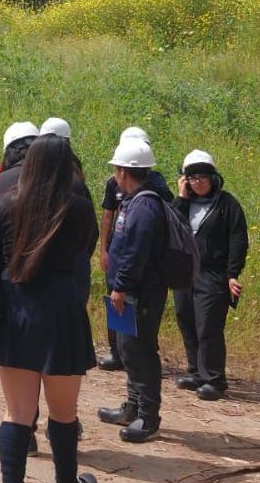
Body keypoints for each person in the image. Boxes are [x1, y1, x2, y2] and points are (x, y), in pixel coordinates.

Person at [0, 135, 100, 483]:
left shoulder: (4, 203)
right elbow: (82, 252)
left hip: (14, 310)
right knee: (64, 412)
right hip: (61, 311)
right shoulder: (79, 208)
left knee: (17, 414)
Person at [98, 139, 170, 443]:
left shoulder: (144, 206)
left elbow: (135, 253)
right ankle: (133, 406)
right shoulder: (134, 200)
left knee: (140, 351)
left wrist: (121, 287)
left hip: (139, 293)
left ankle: (148, 417)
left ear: (123, 172)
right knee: (127, 349)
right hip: (128, 291)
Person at [172, 150, 248, 401]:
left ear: (213, 177)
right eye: (192, 177)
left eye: (203, 176)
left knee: (208, 326)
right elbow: (170, 229)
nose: (199, 182)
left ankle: (214, 379)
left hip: (213, 273)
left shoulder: (227, 205)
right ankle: (196, 372)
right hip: (184, 272)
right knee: (186, 319)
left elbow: (238, 240)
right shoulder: (182, 204)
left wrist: (232, 274)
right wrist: (181, 199)